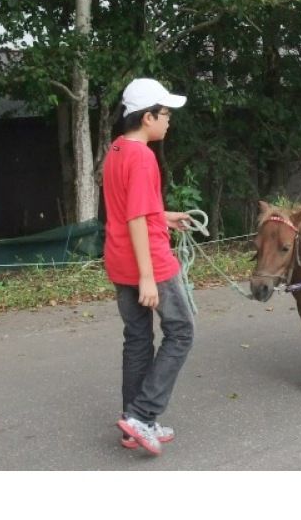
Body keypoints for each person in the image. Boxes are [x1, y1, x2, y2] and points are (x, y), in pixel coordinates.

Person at [102, 78, 195, 456]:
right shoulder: (142, 156)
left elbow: (131, 207)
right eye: (165, 113)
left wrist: (165, 215)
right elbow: (137, 218)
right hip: (150, 262)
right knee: (182, 332)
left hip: (119, 258)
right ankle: (143, 414)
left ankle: (133, 423)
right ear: (148, 117)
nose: (169, 121)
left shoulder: (117, 149)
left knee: (138, 340)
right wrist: (147, 277)